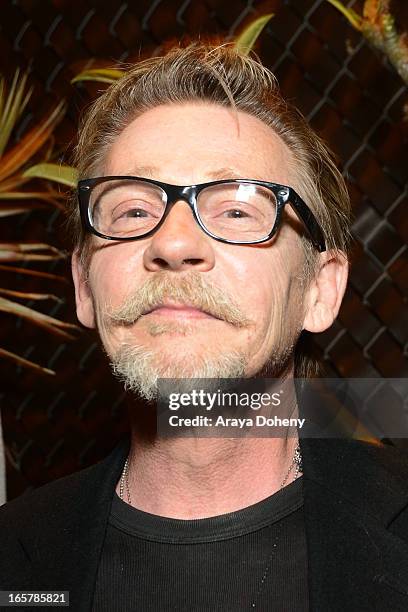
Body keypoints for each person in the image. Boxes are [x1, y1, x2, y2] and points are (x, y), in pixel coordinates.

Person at [1, 42, 408, 612]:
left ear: (319, 290)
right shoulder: (15, 559)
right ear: (85, 286)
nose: (172, 243)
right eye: (134, 212)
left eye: (238, 210)